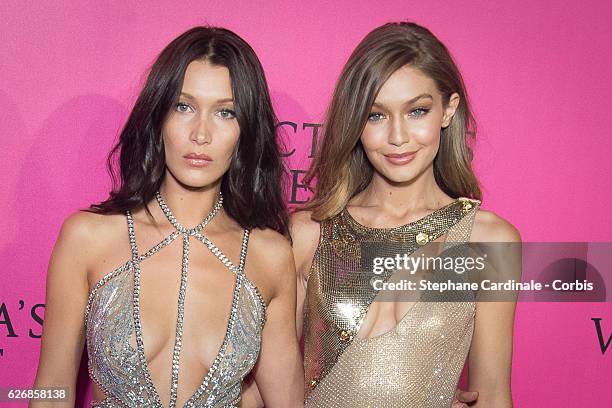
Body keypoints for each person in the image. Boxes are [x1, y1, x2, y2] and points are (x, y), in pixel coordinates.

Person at [31, 26, 303, 408]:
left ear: (246, 130)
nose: (201, 134)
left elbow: (286, 402)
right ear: (158, 116)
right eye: (184, 106)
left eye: (226, 112)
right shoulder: (87, 239)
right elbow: (51, 391)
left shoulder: (268, 256)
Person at [292, 22, 520, 407]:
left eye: (417, 111)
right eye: (376, 115)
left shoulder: (489, 241)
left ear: (448, 110)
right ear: (355, 122)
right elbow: (270, 387)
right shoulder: (308, 232)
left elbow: (492, 394)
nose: (398, 136)